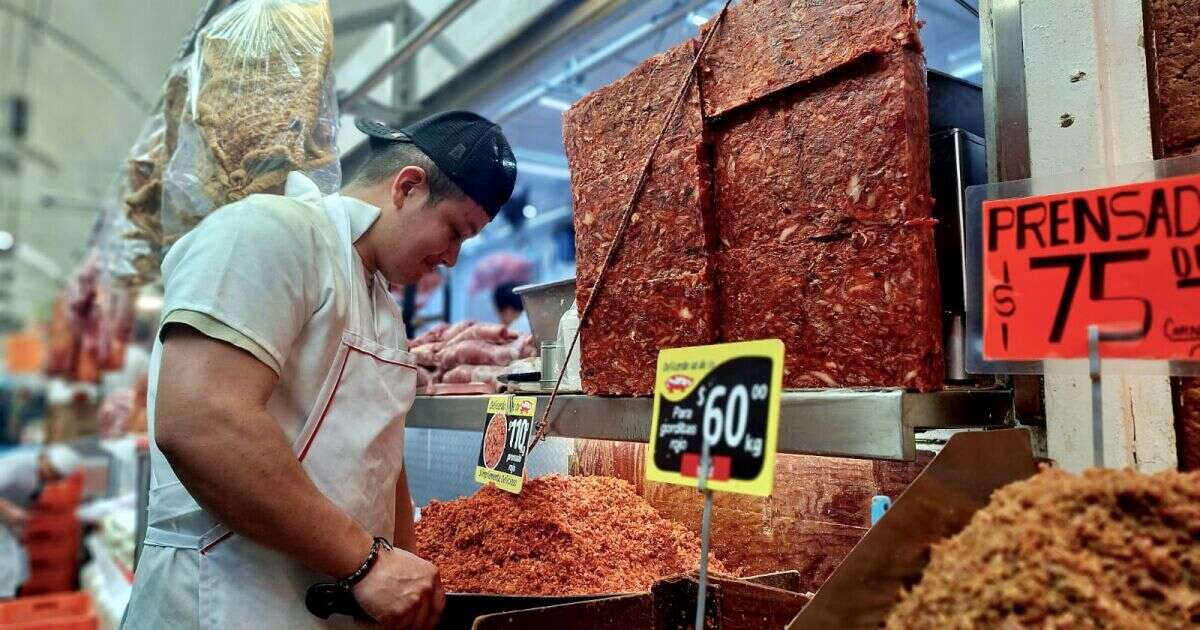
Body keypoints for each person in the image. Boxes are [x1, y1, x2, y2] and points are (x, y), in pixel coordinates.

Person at [124, 111, 516, 629]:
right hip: (226, 599)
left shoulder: (383, 310)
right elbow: (201, 423)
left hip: (327, 606)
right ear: (408, 187)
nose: (451, 259)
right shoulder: (268, 232)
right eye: (455, 231)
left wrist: (406, 579)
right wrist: (369, 563)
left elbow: (382, 460)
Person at [0, 445, 81, 597]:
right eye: (52, 473)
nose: (51, 480)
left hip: (7, 525)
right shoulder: (17, 466)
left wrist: (17, 523)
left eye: (56, 478)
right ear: (44, 459)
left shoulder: (40, 478)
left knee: (16, 574)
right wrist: (9, 511)